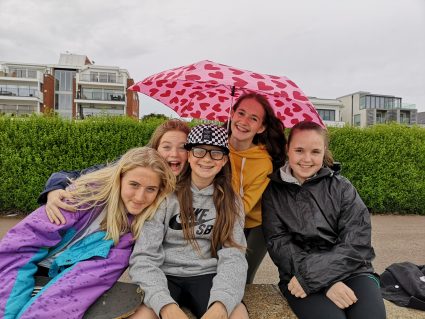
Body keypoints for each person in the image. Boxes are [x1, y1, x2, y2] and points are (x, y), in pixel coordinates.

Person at [0, 147, 176, 319]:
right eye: (134, 185)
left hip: (62, 279)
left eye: (150, 189)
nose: (139, 197)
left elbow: (82, 282)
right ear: (119, 178)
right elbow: (17, 248)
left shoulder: (131, 233)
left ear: (159, 191)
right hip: (26, 268)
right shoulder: (82, 195)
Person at [261, 121, 386, 319]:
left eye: (315, 152)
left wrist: (323, 276)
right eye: (299, 150)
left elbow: (357, 242)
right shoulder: (273, 193)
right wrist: (324, 282)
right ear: (288, 149)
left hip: (353, 270)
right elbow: (279, 244)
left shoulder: (342, 187)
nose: (307, 159)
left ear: (324, 151)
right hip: (298, 275)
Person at [128, 124, 249, 319]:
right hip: (164, 273)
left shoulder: (231, 201)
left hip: (206, 274)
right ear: (190, 155)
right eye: (199, 151)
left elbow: (234, 255)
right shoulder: (165, 195)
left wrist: (221, 303)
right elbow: (144, 257)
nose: (207, 159)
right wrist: (165, 304)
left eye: (216, 153)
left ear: (224, 160)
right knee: (141, 316)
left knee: (237, 314)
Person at [39, 119, 190, 225]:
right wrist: (54, 190)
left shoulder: (195, 179)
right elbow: (71, 175)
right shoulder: (133, 166)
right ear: (154, 148)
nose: (174, 154)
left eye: (183, 147)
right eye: (166, 147)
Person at [227, 93, 286, 284]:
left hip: (256, 223)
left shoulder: (263, 162)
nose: (244, 121)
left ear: (261, 127)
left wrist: (227, 162)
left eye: (253, 118)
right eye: (241, 113)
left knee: (242, 275)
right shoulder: (215, 148)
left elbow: (243, 207)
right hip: (221, 218)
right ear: (232, 113)